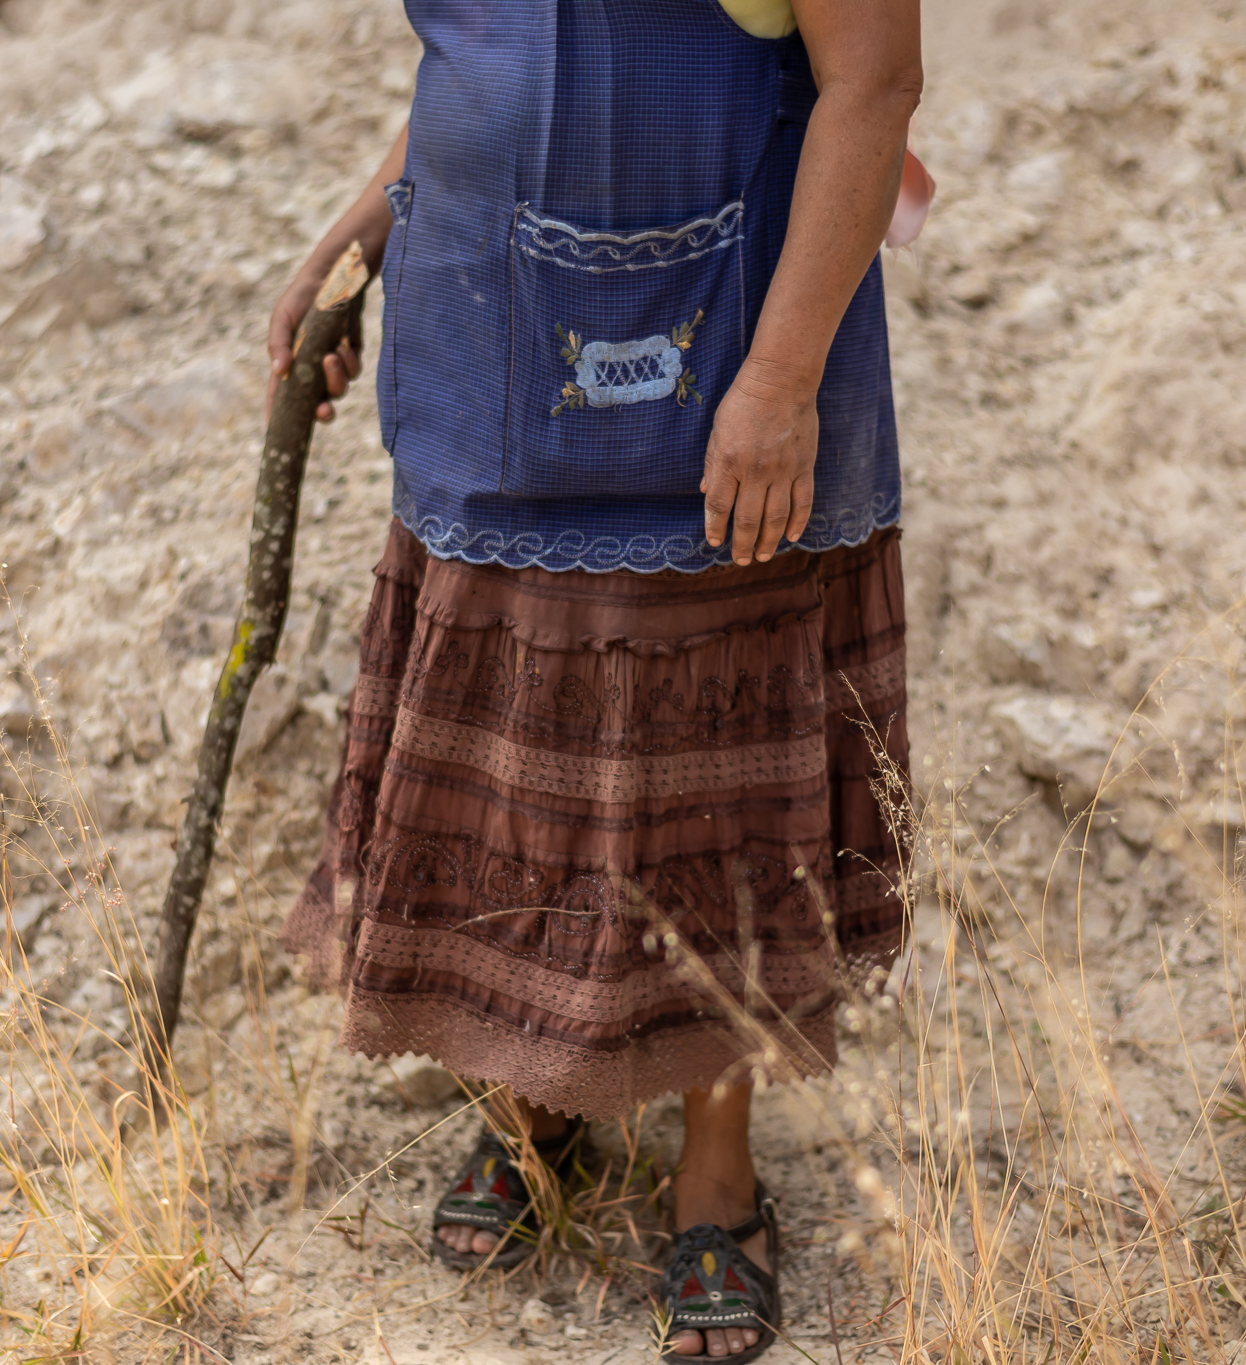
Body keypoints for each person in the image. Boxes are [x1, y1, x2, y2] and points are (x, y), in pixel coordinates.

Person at [276, 2, 925, 1359]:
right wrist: (375, 215)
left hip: (727, 332)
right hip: (483, 316)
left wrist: (783, 380)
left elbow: (871, 83)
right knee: (516, 748)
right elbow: (481, 55)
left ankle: (717, 1175)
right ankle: (535, 1101)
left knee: (713, 762)